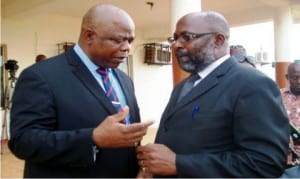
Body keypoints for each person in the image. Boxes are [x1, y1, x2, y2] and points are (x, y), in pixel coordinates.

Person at [136, 11, 290, 178]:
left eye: (187, 37)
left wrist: (179, 164)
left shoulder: (253, 84)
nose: (177, 45)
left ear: (218, 40)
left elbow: (265, 163)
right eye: (175, 38)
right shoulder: (183, 86)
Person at [8, 4, 153, 178]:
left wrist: (138, 168)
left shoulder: (124, 80)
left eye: (130, 40)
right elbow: (23, 142)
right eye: (118, 40)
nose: (127, 48)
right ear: (89, 36)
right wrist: (92, 139)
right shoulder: (41, 76)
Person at [280, 62, 300, 177]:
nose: (299, 81)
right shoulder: (277, 95)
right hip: (284, 155)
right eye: (295, 77)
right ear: (287, 77)